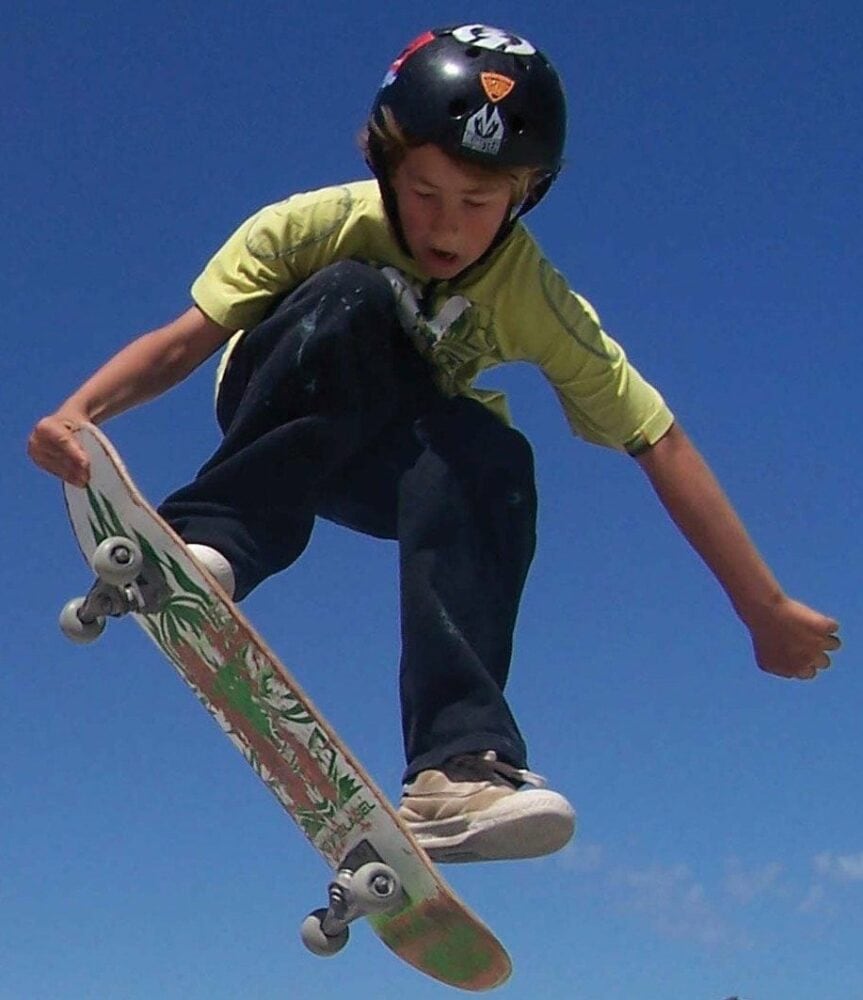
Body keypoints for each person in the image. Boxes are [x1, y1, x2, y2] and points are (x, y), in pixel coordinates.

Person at [28, 24, 840, 864]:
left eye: (478, 204)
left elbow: (658, 443)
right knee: (355, 295)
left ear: (526, 196)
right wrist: (80, 411)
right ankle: (214, 544)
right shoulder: (311, 225)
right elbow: (185, 339)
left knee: (491, 452)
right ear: (386, 166)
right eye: (424, 192)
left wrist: (762, 608)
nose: (446, 228)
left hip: (399, 468)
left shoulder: (536, 296)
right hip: (284, 402)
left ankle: (459, 766)